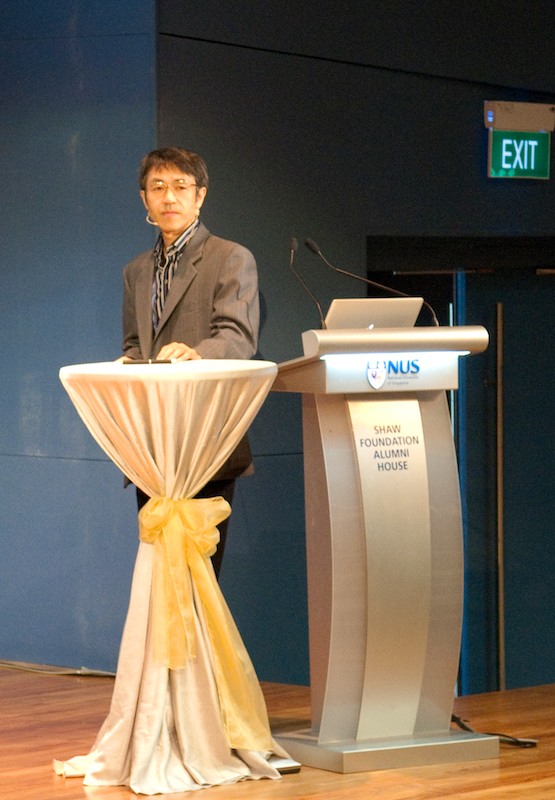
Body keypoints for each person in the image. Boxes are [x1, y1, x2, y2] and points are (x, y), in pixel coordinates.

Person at [121, 147, 260, 577]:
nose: (169, 197)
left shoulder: (231, 257)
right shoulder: (136, 271)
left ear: (200, 195)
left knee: (199, 584)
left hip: (206, 440)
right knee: (159, 579)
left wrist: (197, 353)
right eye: (158, 187)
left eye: (181, 187)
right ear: (144, 198)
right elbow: (134, 344)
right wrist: (127, 363)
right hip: (151, 450)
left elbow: (238, 337)